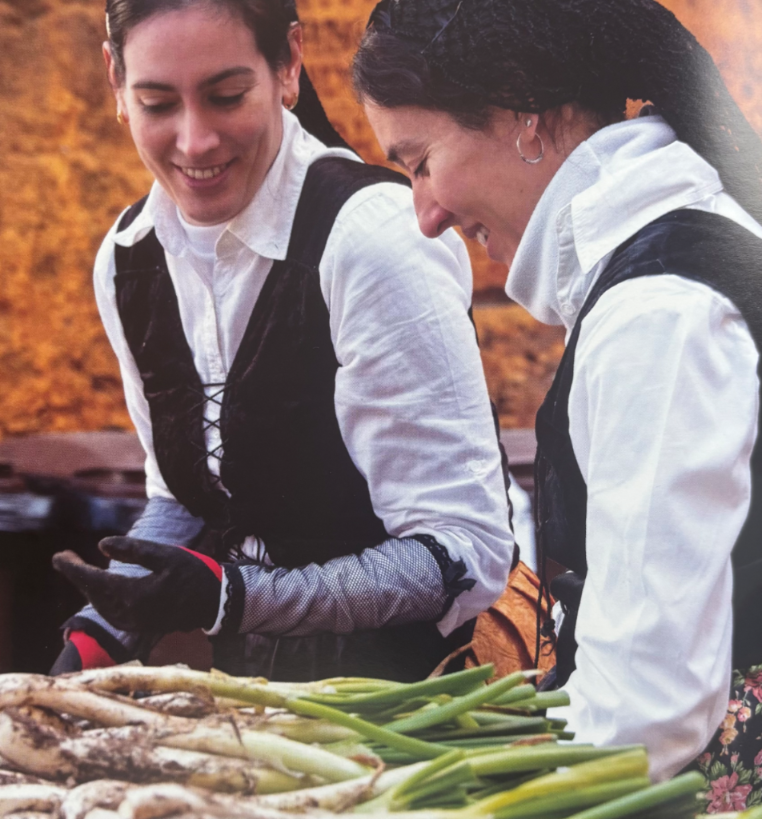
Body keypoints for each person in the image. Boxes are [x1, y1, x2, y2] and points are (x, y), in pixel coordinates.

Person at [352, 0, 762, 804]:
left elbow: (645, 714)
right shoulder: (676, 255)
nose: (425, 214)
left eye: (421, 161)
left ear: (524, 115)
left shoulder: (657, 312)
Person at [49, 0, 515, 684]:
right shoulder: (128, 261)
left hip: (415, 699)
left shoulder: (371, 241)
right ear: (115, 81)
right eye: (156, 103)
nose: (195, 140)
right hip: (257, 701)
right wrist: (94, 637)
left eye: (226, 96)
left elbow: (462, 550)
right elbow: (185, 497)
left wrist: (236, 596)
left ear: (289, 65)